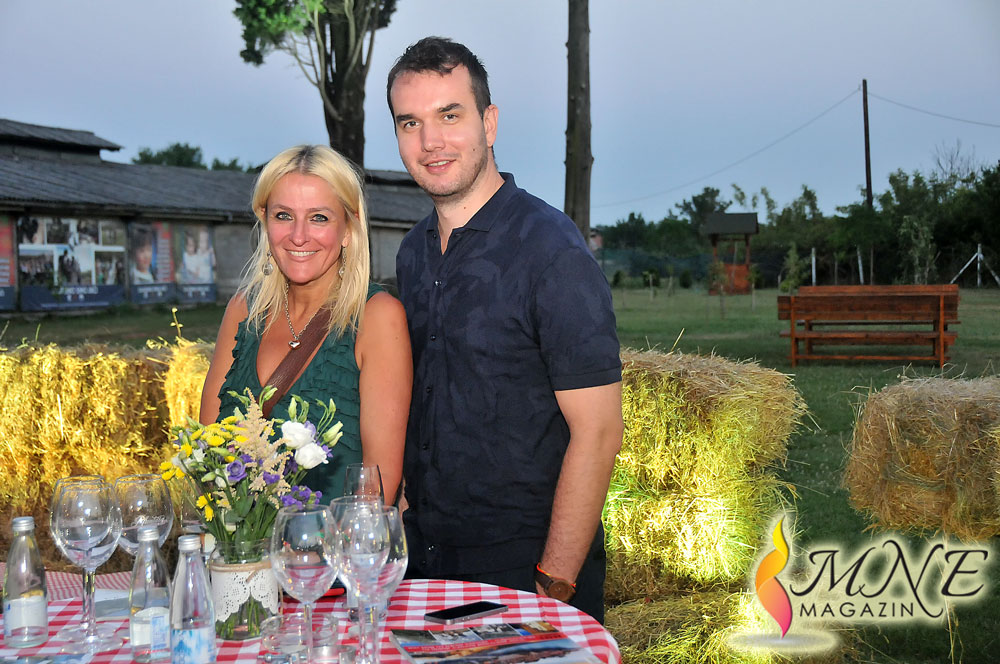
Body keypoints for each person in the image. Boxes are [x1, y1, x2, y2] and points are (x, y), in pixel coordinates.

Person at [387, 37, 623, 621]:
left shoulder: (551, 250)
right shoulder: (412, 252)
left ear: (489, 123)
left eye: (450, 115)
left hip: (524, 571)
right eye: (410, 122)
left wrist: (554, 583)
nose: (430, 141)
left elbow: (598, 431)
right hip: (424, 562)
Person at [199, 144, 411, 503]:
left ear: (348, 227)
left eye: (319, 218)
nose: (298, 236)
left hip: (335, 538)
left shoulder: (376, 317)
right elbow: (209, 453)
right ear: (265, 220)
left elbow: (378, 487)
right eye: (283, 215)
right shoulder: (242, 311)